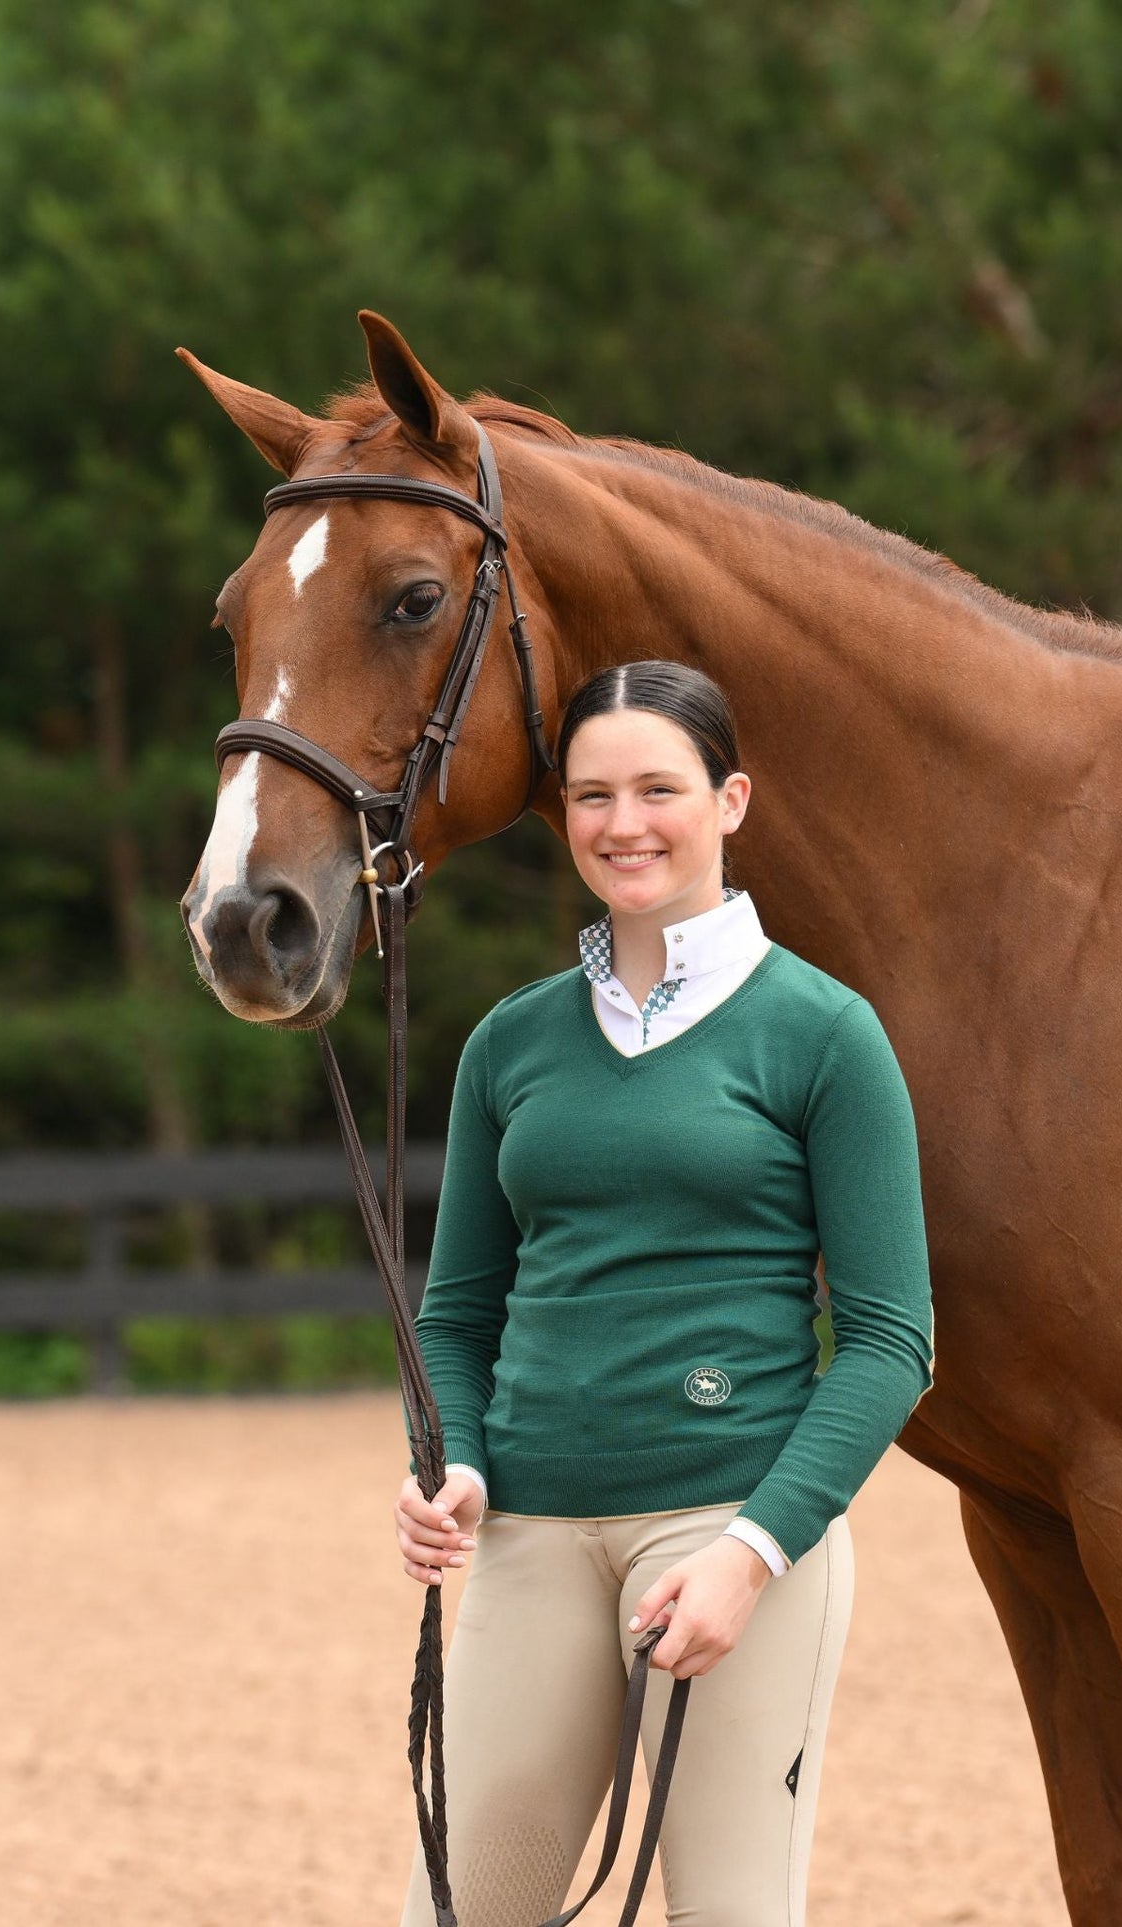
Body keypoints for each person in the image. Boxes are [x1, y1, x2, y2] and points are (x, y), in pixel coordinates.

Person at [394, 660, 933, 1927]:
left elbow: (892, 1338)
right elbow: (457, 1315)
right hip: (527, 1539)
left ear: (729, 800)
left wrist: (749, 1555)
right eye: (589, 795)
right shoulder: (510, 1043)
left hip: (732, 1533)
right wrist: (454, 1461)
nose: (621, 823)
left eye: (656, 787)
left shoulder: (824, 1032)